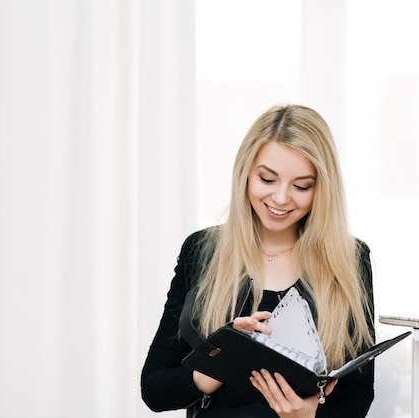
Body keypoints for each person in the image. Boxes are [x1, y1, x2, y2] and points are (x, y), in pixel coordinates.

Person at [141, 104, 376, 418]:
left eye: (301, 186)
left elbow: (358, 394)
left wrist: (308, 416)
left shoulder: (349, 258)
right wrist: (221, 360)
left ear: (322, 188)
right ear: (246, 174)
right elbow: (155, 389)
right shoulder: (202, 250)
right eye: (267, 179)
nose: (280, 198)